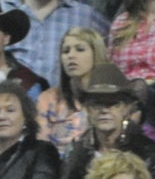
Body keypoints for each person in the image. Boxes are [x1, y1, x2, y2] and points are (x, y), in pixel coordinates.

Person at [53, 62, 155, 179]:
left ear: (127, 109)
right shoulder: (75, 151)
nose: (104, 110)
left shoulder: (148, 152)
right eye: (96, 104)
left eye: (113, 104)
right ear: (87, 109)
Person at [30, 21, 110, 152]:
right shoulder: (47, 98)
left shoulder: (112, 99)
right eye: (65, 51)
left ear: (96, 53)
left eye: (80, 49)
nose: (71, 56)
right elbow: (40, 146)